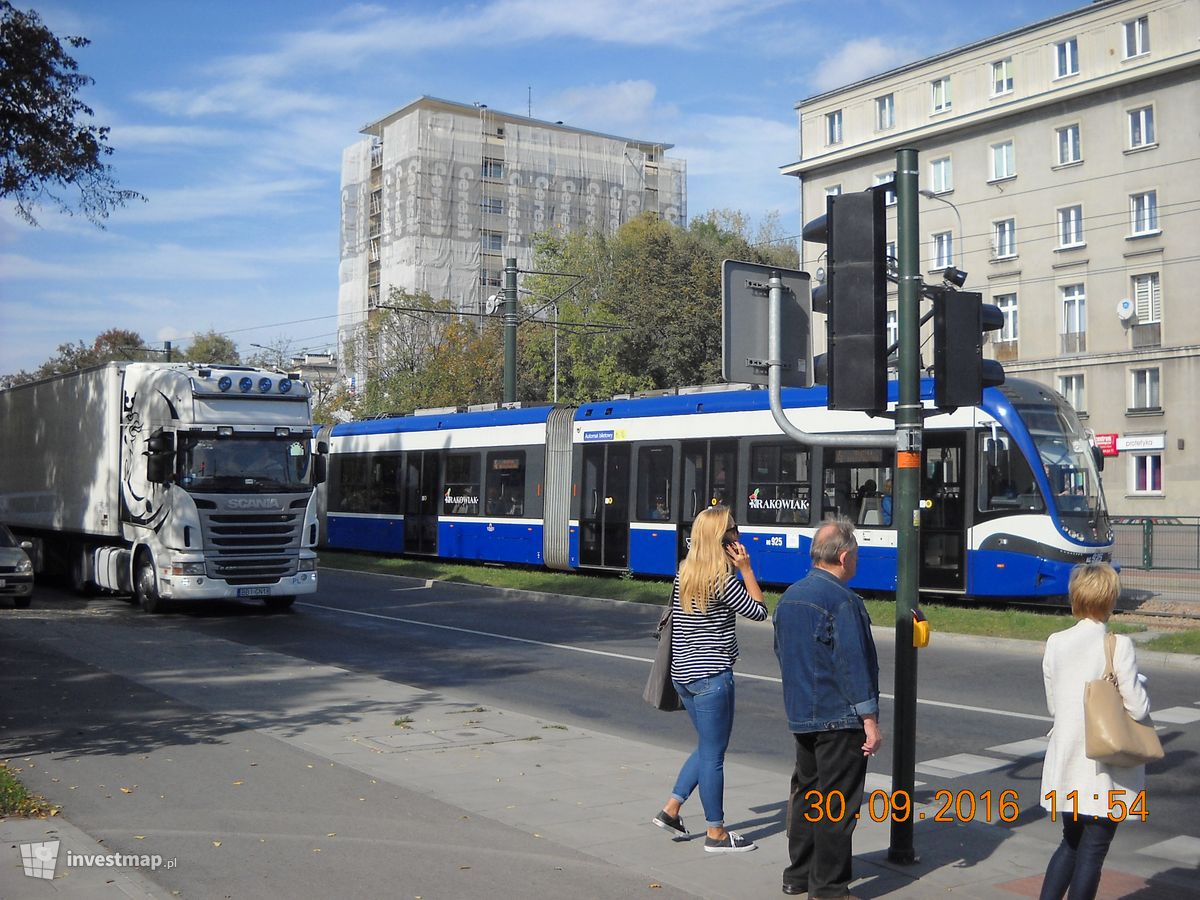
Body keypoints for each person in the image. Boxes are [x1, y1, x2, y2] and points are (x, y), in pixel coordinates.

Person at [774, 518, 882, 898]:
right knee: (837, 804)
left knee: (807, 793)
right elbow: (855, 664)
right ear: (843, 555)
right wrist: (869, 719)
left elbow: (783, 655)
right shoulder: (843, 601)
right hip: (840, 718)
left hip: (802, 714)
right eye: (855, 554)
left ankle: (798, 873)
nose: (855, 561)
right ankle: (830, 887)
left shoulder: (789, 597)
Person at [653, 505, 767, 853]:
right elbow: (760, 611)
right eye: (733, 529)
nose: (738, 534)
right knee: (714, 755)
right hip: (711, 677)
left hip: (682, 676)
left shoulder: (684, 571)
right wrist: (746, 569)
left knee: (706, 746)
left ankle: (671, 810)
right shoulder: (722, 581)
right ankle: (716, 833)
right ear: (721, 537)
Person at [1038, 562, 1150, 900]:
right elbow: (1138, 707)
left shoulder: (1056, 642)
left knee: (1070, 842)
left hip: (1069, 761)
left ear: (1076, 598)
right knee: (1094, 850)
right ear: (1109, 599)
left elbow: (1054, 706)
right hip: (1106, 769)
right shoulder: (1119, 645)